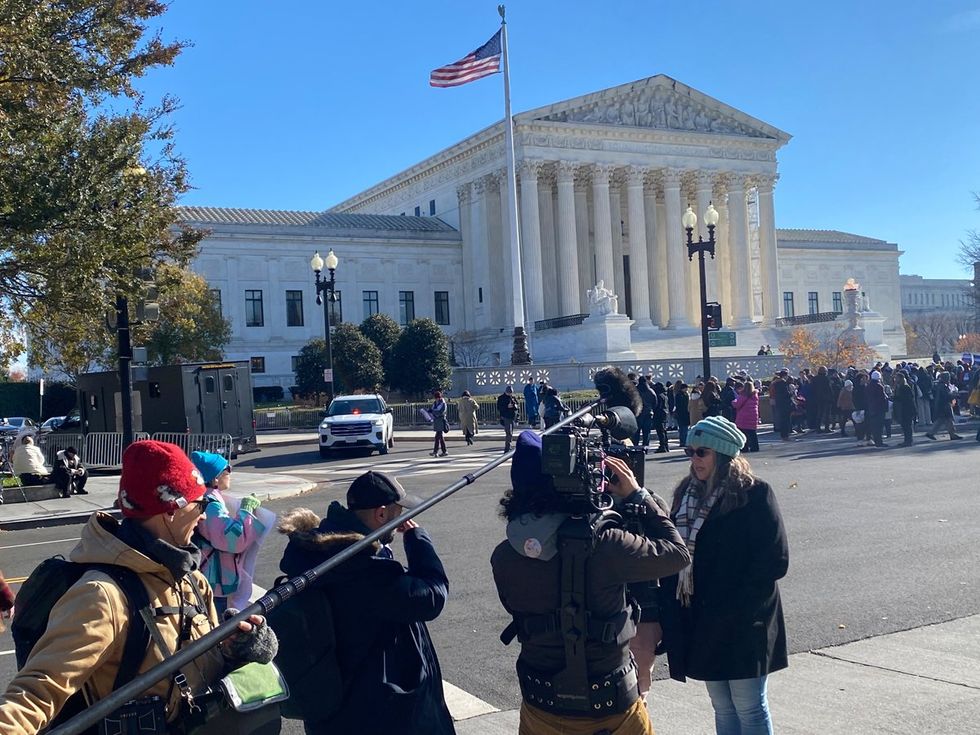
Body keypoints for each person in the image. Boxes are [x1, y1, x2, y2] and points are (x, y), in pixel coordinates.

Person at [0, 440, 276, 732]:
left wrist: (238, 644)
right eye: (202, 503)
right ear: (172, 509)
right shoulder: (102, 596)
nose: (204, 515)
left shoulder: (192, 580)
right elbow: (37, 691)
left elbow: (206, 666)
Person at [491, 431, 691, 733]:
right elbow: (676, 555)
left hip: (540, 707)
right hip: (611, 711)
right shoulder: (607, 545)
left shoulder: (504, 556)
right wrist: (639, 496)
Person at [277, 471, 455, 735]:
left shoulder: (320, 550)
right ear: (381, 514)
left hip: (334, 707)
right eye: (399, 512)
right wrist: (419, 542)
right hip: (378, 712)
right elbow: (431, 596)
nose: (402, 520)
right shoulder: (362, 568)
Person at [660, 417, 788, 735]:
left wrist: (732, 596)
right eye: (690, 451)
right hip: (703, 619)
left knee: (749, 707)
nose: (694, 459)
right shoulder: (685, 494)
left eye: (701, 452)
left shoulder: (755, 494)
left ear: (723, 453)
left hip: (746, 619)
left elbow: (775, 560)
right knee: (722, 707)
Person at [190, 451, 269, 615]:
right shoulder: (211, 505)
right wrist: (246, 510)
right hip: (214, 581)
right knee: (218, 628)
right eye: (228, 470)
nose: (230, 474)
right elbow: (233, 540)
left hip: (211, 577)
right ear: (215, 478)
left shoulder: (206, 498)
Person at [925, 373, 963, 441]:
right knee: (949, 419)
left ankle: (931, 433)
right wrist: (955, 395)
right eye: (948, 377)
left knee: (941, 420)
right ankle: (952, 435)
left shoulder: (940, 385)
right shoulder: (943, 386)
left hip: (941, 405)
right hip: (944, 405)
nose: (949, 379)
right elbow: (946, 396)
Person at [733, 379, 760, 452]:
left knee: (743, 433)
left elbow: (737, 404)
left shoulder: (743, 395)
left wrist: (734, 401)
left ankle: (745, 447)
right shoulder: (755, 396)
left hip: (743, 416)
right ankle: (755, 447)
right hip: (753, 415)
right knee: (752, 433)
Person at [892, 372, 916, 447]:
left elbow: (907, 398)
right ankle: (906, 440)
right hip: (902, 409)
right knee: (904, 426)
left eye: (897, 378)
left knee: (907, 425)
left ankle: (909, 441)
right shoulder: (899, 387)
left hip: (907, 409)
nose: (896, 379)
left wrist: (895, 398)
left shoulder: (905, 387)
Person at [865, 371, 889, 447]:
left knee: (874, 426)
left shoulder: (868, 386)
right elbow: (882, 398)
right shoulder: (879, 386)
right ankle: (879, 442)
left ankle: (876, 441)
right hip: (879, 409)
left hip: (871, 408)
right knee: (879, 426)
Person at [636, 376, 657, 449]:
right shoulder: (650, 391)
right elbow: (655, 402)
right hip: (648, 413)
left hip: (638, 413)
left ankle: (635, 447)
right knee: (646, 432)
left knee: (636, 432)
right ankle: (645, 447)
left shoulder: (636, 391)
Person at [497, 386, 519, 452]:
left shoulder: (513, 398)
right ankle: (507, 448)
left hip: (512, 417)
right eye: (509, 393)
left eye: (511, 393)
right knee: (509, 433)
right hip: (506, 417)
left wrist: (517, 418)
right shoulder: (501, 398)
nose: (510, 394)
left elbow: (517, 408)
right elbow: (499, 408)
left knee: (511, 432)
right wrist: (507, 406)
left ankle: (509, 446)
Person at [430, 390, 449, 457]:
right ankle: (444, 451)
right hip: (437, 421)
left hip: (441, 420)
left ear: (440, 397)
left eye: (437, 398)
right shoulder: (435, 403)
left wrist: (433, 411)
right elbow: (433, 410)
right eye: (436, 398)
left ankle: (435, 451)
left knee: (438, 436)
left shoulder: (443, 403)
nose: (437, 399)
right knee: (440, 437)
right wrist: (431, 411)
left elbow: (441, 412)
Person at [674, 382, 691, 447]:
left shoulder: (679, 395)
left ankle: (683, 441)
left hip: (682, 414)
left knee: (683, 429)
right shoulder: (683, 395)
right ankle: (684, 441)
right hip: (683, 414)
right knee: (684, 429)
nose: (686, 389)